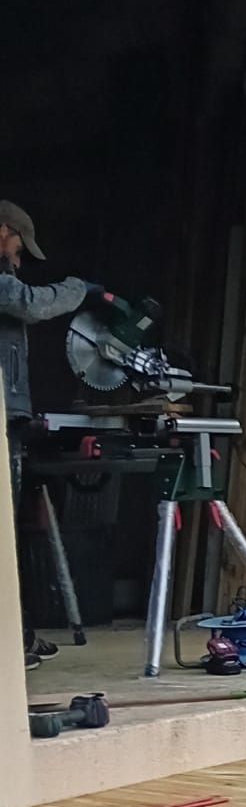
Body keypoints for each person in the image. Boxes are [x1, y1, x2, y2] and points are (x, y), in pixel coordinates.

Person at [0, 200, 91, 668]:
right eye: (17, 246)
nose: (18, 258)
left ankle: (20, 636)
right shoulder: (4, 283)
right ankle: (12, 643)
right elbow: (28, 304)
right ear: (3, 232)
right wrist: (79, 291)